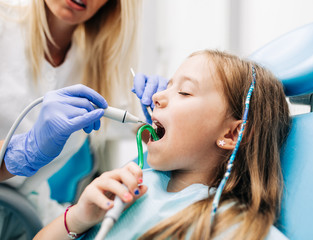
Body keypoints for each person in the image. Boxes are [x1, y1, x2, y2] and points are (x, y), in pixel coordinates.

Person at [34, 49, 291, 240]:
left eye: (185, 92)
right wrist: (78, 217)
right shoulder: (133, 187)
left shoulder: (234, 228)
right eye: (167, 86)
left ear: (233, 134)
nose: (156, 97)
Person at [0, 0, 167, 227]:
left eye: (187, 92)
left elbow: (151, 129)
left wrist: (165, 107)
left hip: (24, 217)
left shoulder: (98, 66)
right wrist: (19, 152)